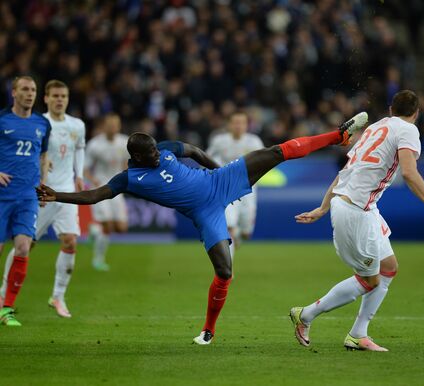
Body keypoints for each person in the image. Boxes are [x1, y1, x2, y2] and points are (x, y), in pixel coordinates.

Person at [36, 112, 368, 345]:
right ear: (135, 155)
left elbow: (193, 151)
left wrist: (221, 172)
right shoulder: (129, 179)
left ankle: (337, 136)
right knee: (225, 271)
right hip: (204, 212)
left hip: (219, 180)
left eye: (156, 148)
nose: (157, 153)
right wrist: (58, 195)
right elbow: (95, 196)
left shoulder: (164, 149)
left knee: (274, 151)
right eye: (150, 152)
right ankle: (208, 331)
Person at [290, 90, 424, 351]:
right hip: (355, 210)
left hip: (360, 206)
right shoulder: (408, 130)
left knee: (389, 267)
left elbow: (347, 170)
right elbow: (410, 173)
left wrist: (323, 207)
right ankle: (306, 315)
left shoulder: (376, 127)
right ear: (417, 113)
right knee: (370, 280)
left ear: (391, 109)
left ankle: (358, 334)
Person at [0, 80, 85, 318]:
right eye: (55, 95)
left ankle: (57, 296)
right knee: (26, 244)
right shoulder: (36, 122)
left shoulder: (74, 125)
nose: (60, 100)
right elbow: (42, 154)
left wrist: (79, 175)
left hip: (59, 192)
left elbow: (78, 149)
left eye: (64, 96)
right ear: (46, 98)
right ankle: (3, 293)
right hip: (29, 193)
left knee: (68, 241)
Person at [0, 76, 51, 326]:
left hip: (27, 195)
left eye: (33, 90)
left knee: (22, 247)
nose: (30, 94)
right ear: (14, 93)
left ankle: (6, 308)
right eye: (24, 89)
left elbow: (43, 156)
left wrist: (42, 184)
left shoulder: (42, 124)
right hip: (1, 196)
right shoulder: (2, 120)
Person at [207, 112, 264, 255]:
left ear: (246, 125)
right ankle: (227, 270)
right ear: (229, 125)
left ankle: (240, 233)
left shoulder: (254, 142)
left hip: (248, 190)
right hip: (227, 189)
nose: (238, 126)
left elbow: (264, 162)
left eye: (242, 123)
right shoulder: (220, 141)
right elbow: (206, 158)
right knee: (229, 226)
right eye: (235, 122)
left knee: (246, 233)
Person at [84, 113, 129, 271]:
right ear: (104, 126)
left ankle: (94, 231)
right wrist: (92, 180)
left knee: (122, 228)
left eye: (115, 125)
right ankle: (98, 260)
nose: (113, 128)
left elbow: (126, 163)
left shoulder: (124, 142)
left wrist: (127, 175)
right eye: (110, 125)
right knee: (107, 227)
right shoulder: (95, 145)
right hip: (101, 187)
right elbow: (85, 169)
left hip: (117, 188)